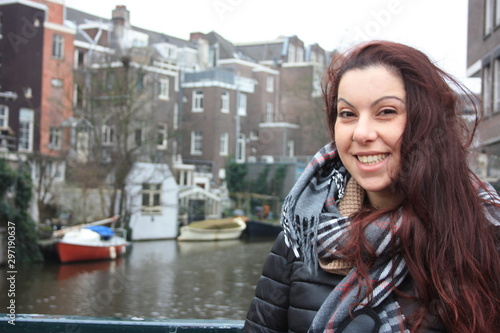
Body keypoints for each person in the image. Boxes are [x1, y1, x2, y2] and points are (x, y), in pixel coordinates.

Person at [243, 41, 500, 333]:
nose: (362, 133)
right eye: (348, 114)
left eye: (386, 111)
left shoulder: (485, 234)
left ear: (427, 122)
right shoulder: (301, 234)